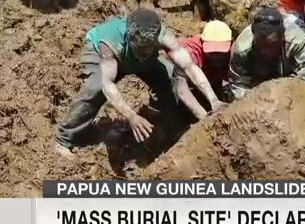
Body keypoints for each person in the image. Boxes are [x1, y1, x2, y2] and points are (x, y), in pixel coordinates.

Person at [54, 9, 224, 157]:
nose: (146, 52)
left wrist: (213, 100)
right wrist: (131, 116)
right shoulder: (110, 43)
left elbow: (189, 66)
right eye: (140, 48)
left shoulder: (163, 38)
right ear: (129, 38)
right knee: (95, 88)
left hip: (139, 60)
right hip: (104, 56)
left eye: (150, 47)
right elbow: (108, 85)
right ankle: (65, 137)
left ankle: (171, 127)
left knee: (170, 77)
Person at [229, 6, 305, 100]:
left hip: (287, 83)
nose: (266, 51)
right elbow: (239, 86)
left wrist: (285, 97)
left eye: (271, 45)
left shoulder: (296, 40)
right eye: (261, 45)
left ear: (282, 36)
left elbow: (303, 78)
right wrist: (254, 100)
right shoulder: (242, 49)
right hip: (256, 88)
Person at [165, 20, 233, 120]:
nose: (216, 57)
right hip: (175, 72)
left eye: (220, 52)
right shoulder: (190, 52)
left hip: (206, 72)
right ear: (202, 42)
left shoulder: (233, 51)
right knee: (173, 103)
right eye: (212, 52)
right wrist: (203, 117)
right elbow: (182, 90)